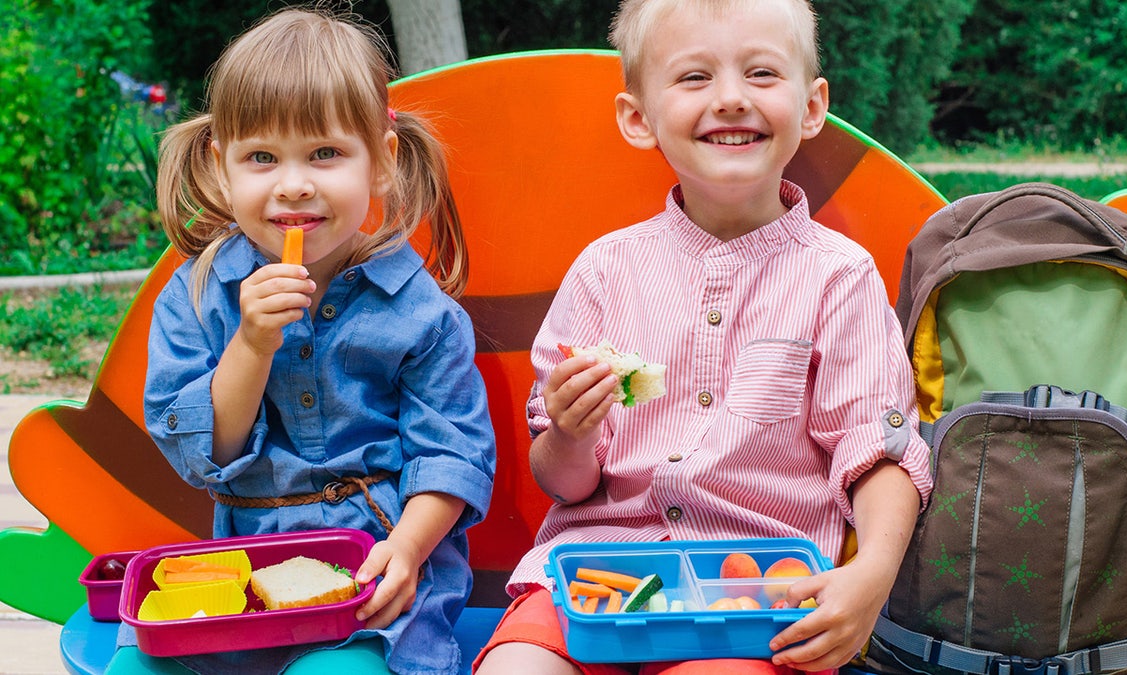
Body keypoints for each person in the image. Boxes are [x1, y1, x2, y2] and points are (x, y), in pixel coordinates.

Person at [473, 0, 933, 673]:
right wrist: (570, 433)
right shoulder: (605, 272)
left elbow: (878, 449)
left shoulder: (839, 276)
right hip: (589, 575)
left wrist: (873, 577)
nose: (730, 100)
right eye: (694, 78)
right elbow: (564, 483)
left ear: (812, 107)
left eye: (761, 74)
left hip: (752, 594)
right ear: (638, 117)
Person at [142, 7, 496, 674]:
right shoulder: (196, 296)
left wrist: (410, 549)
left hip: (381, 573)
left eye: (325, 153)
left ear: (381, 163)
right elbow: (201, 454)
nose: (294, 182)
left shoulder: (422, 314)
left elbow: (451, 453)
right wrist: (250, 344)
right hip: (244, 575)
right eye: (262, 158)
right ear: (223, 169)